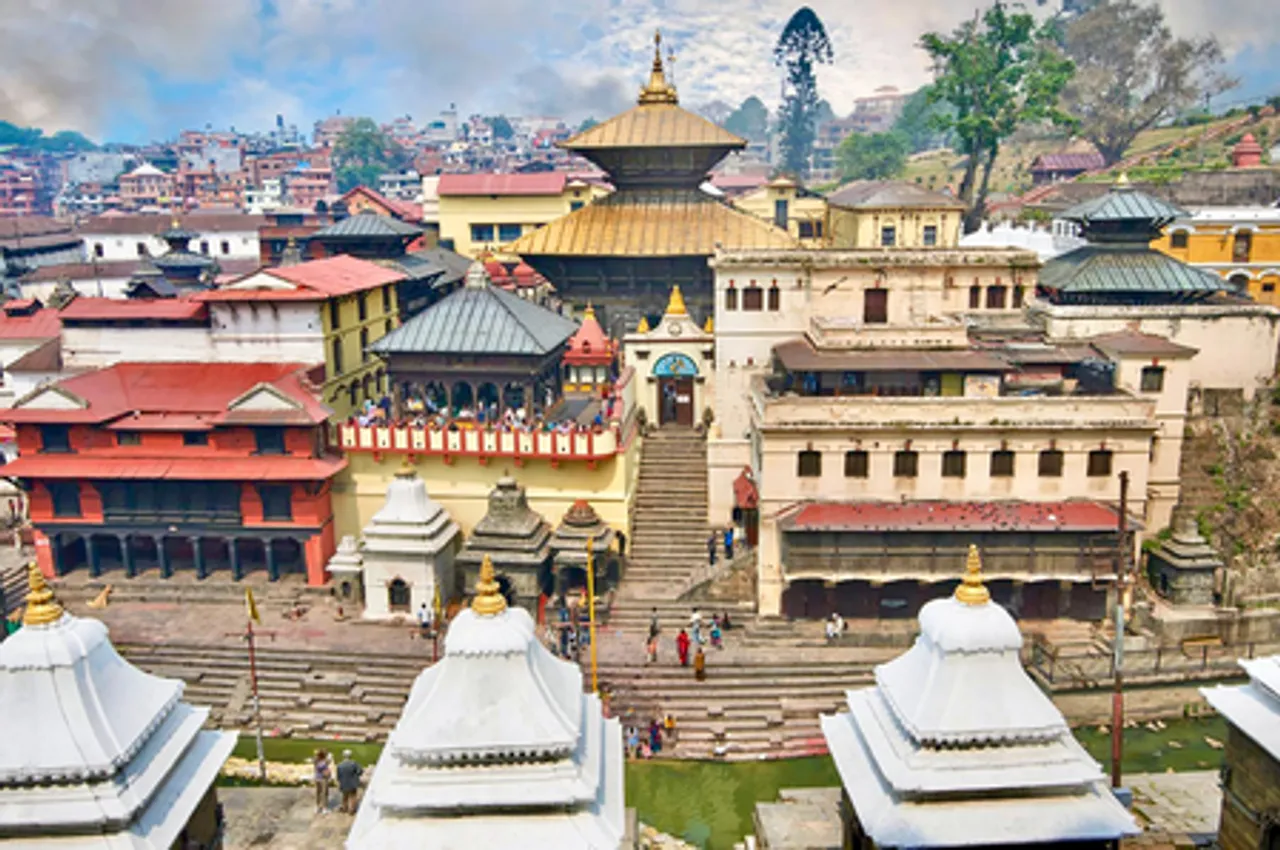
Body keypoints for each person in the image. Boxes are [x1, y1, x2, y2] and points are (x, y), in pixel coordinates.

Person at [336, 750, 363, 814]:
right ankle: (352, 809)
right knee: (353, 796)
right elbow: (360, 771)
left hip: (344, 783)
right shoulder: (354, 763)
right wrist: (355, 775)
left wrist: (340, 781)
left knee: (344, 797)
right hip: (352, 783)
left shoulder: (340, 764)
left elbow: (338, 776)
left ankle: (345, 808)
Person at [312, 749, 333, 815]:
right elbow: (330, 758)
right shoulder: (325, 761)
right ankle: (324, 808)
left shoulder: (316, 761)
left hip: (317, 778)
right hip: (323, 779)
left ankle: (317, 807)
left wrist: (317, 753)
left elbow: (315, 757)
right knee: (324, 793)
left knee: (318, 793)